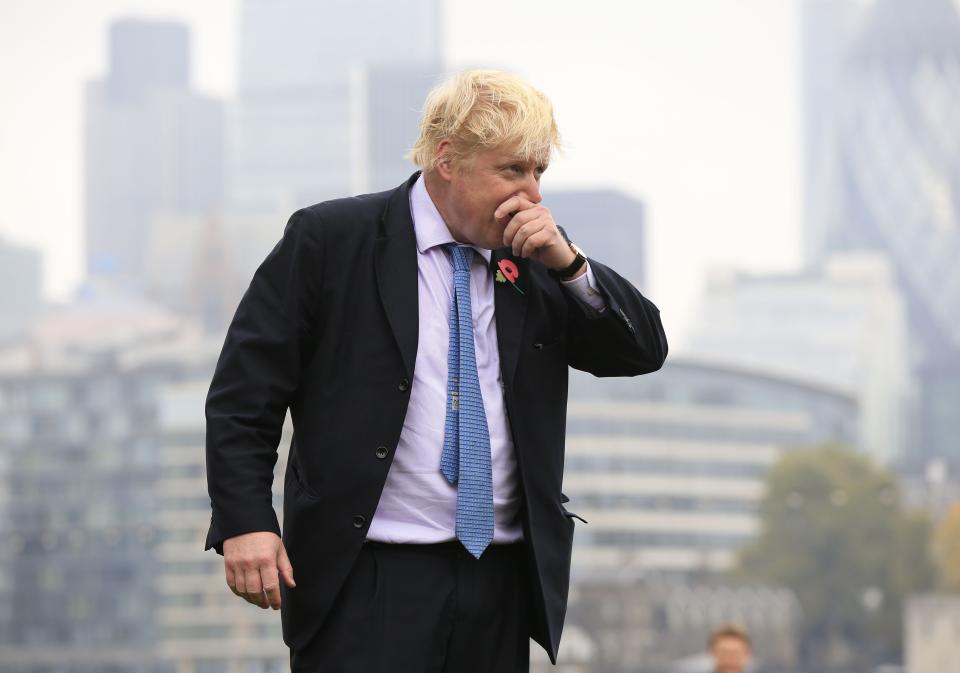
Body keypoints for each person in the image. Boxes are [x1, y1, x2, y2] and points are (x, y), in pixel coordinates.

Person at [204, 69, 668, 672]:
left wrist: (571, 264)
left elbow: (641, 351)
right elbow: (245, 395)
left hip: (499, 578)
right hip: (365, 576)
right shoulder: (331, 240)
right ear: (448, 159)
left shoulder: (536, 257)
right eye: (511, 171)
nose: (531, 194)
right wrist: (245, 521)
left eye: (538, 173)